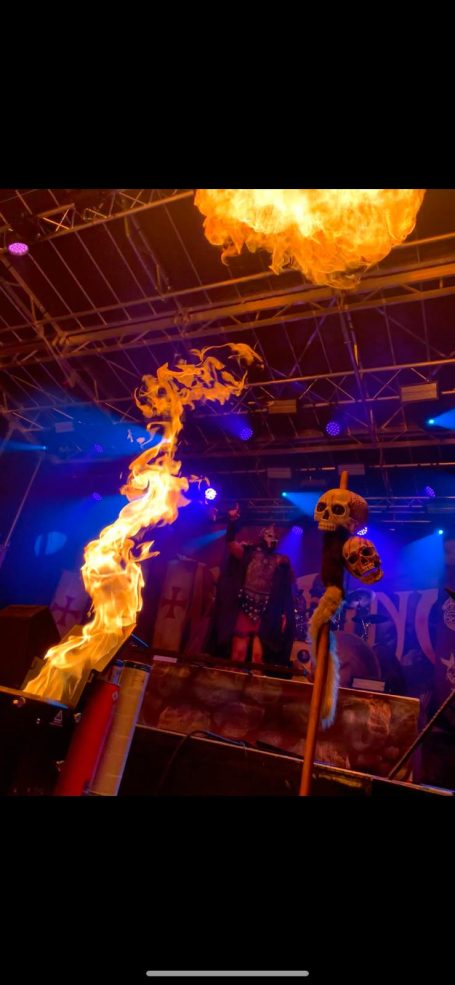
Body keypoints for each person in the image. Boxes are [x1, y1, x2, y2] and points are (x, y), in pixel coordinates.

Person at [209, 505, 295, 668]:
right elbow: (231, 544)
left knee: (258, 658)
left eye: (276, 537)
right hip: (245, 606)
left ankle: (255, 682)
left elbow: (285, 590)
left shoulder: (280, 561)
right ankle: (232, 680)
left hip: (266, 613)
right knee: (238, 655)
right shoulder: (249, 553)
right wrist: (232, 522)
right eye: (270, 535)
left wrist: (284, 612)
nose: (273, 539)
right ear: (262, 536)